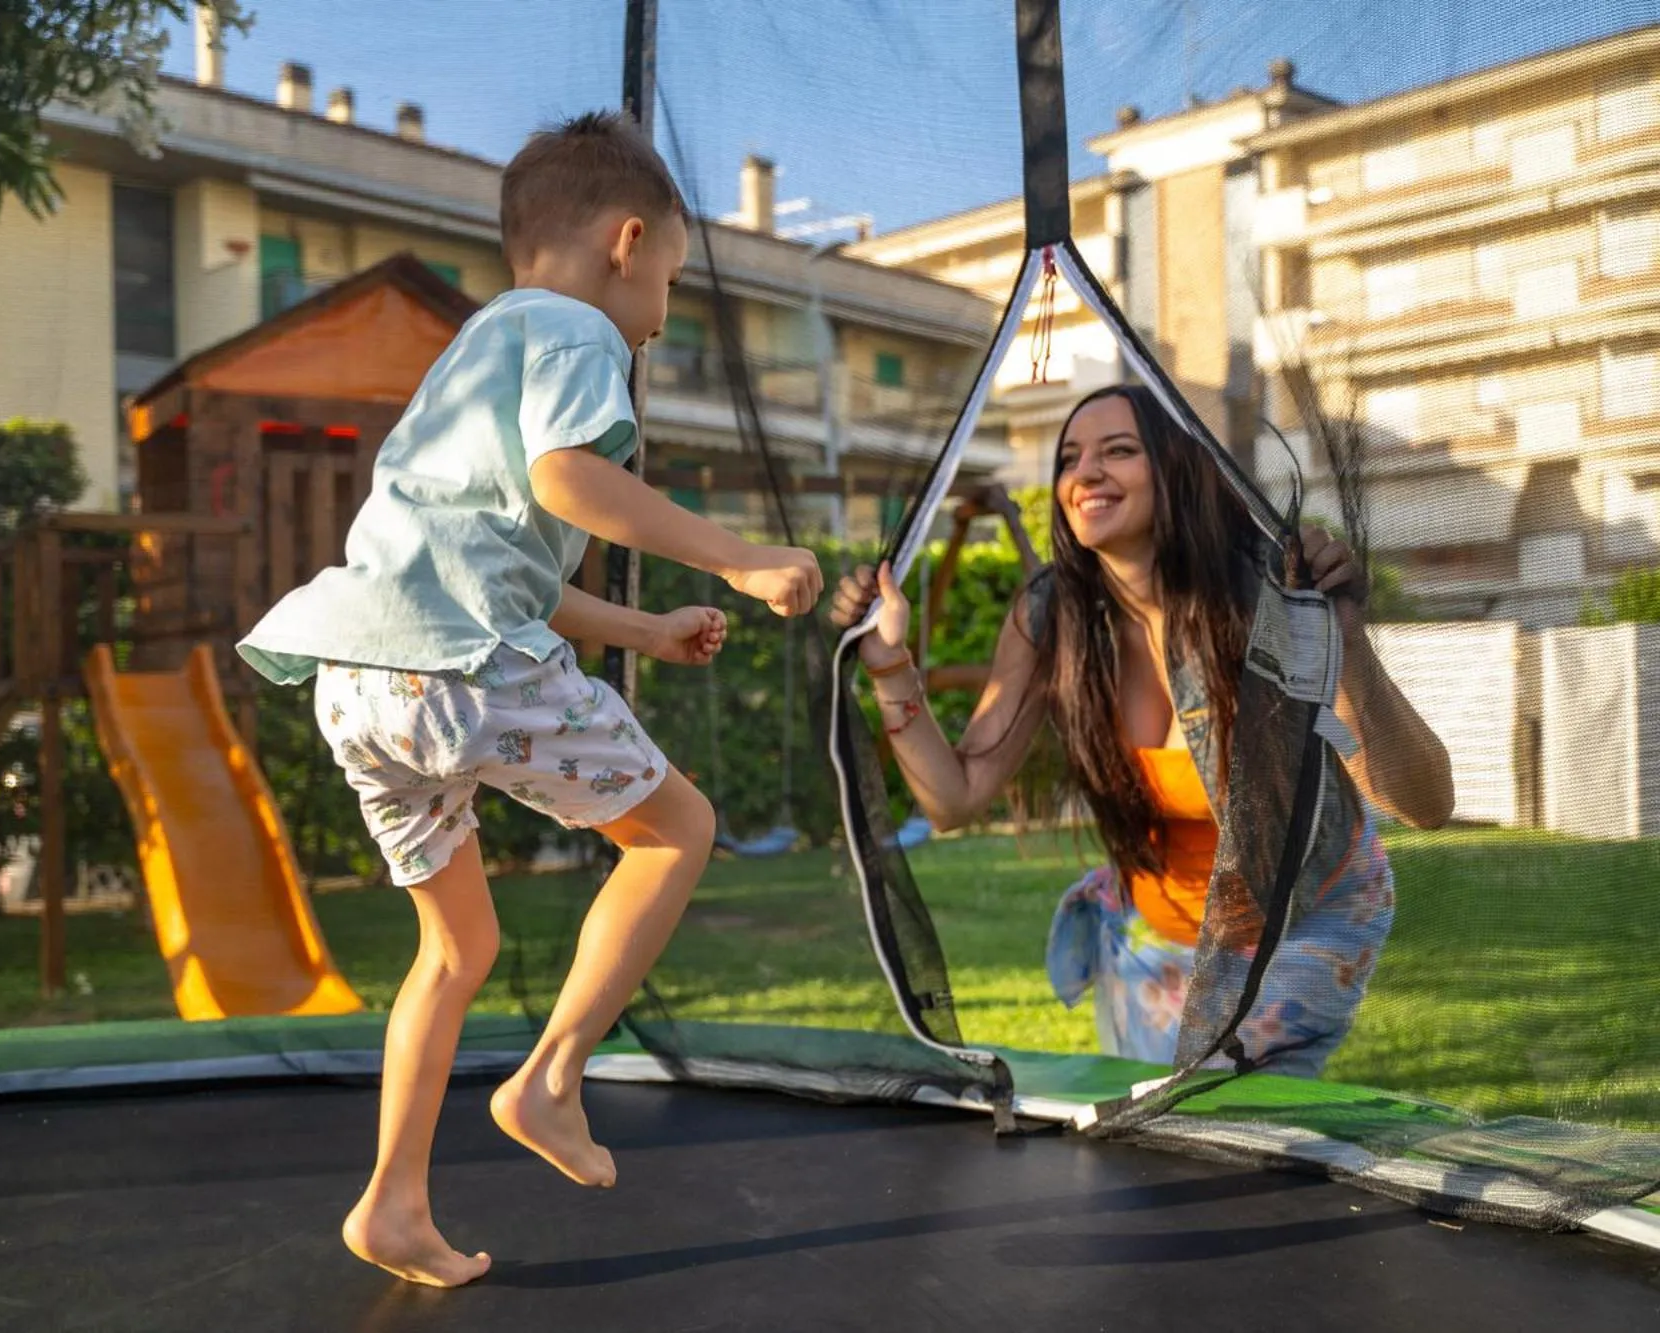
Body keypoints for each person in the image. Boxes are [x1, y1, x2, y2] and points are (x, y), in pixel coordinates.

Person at [238, 112, 823, 1287]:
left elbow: (506, 580)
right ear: (625, 240)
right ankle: (551, 1078)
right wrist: (735, 560)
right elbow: (569, 477)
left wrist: (644, 629)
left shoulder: (474, 356)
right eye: (668, 278)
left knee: (456, 947)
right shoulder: (571, 331)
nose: (663, 310)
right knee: (679, 830)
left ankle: (393, 1204)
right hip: (452, 670)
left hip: (361, 677)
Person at [831, 383, 1451, 1074]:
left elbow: (1424, 803)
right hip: (1151, 940)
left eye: (1118, 451)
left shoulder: (1266, 595)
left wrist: (1343, 638)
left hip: (1303, 922)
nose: (1085, 472)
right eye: (1069, 458)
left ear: (1175, 472)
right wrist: (888, 668)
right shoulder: (1051, 615)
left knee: (1232, 1119)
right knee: (1155, 1146)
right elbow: (954, 797)